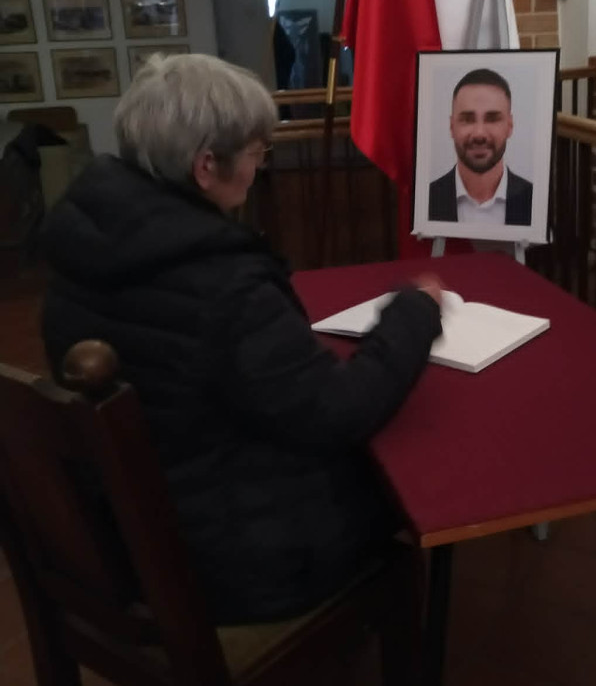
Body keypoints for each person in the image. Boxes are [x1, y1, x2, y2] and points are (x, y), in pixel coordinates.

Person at [41, 53, 443, 625]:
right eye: (257, 152)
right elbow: (336, 413)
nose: (259, 168)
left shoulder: (80, 245)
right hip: (232, 563)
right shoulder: (223, 284)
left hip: (123, 535)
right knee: (405, 485)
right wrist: (415, 313)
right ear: (207, 165)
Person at [428, 67, 533, 227]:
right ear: (451, 126)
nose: (479, 134)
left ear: (510, 126)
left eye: (492, 119)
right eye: (467, 119)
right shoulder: (426, 200)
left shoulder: (535, 202)